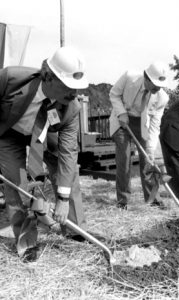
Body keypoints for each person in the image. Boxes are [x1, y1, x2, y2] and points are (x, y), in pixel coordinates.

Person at [0, 46, 88, 262]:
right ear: (48, 77)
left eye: (77, 87)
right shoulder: (10, 79)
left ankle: (75, 229)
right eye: (69, 86)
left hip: (45, 130)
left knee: (65, 168)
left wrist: (63, 198)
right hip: (9, 132)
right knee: (16, 184)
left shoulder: (71, 107)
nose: (75, 93)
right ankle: (27, 241)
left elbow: (69, 151)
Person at [109, 62, 169, 210]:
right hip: (122, 120)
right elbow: (114, 94)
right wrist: (121, 113)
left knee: (148, 160)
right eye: (155, 84)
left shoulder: (162, 98)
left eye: (160, 85)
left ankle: (152, 197)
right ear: (146, 77)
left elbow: (155, 125)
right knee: (124, 159)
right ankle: (122, 200)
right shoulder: (129, 76)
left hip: (142, 123)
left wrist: (150, 150)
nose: (157, 88)